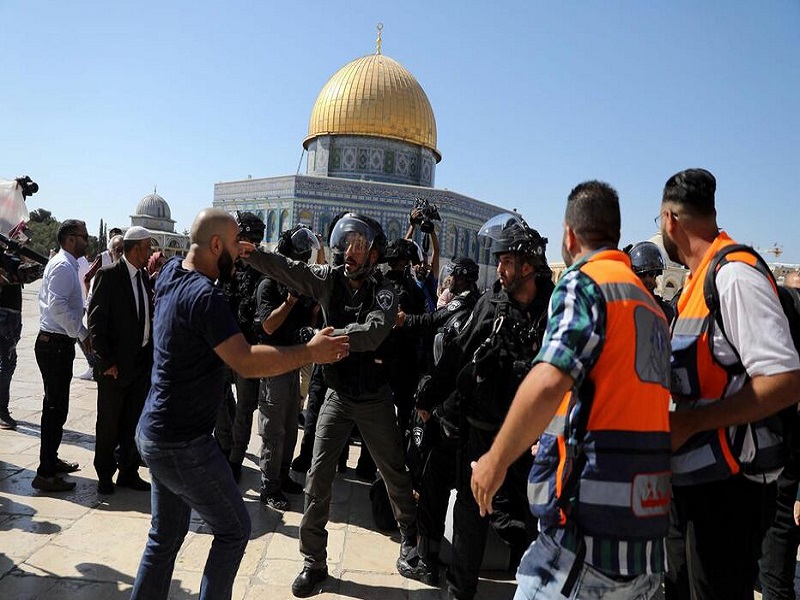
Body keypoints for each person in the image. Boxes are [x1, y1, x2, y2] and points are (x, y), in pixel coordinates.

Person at [129, 208, 349, 600]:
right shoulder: (206, 297)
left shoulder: (170, 274)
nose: (240, 251)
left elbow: (208, 256)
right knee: (233, 530)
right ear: (216, 245)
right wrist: (310, 352)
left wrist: (243, 251)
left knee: (164, 537)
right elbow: (245, 361)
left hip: (154, 432)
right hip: (184, 443)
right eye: (234, 245)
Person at [471, 180, 672, 599]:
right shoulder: (650, 307)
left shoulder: (586, 284)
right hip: (644, 540)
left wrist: (495, 460)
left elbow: (549, 379)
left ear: (569, 234)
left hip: (585, 539)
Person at [242, 213, 418, 598]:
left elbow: (373, 333)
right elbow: (288, 269)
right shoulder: (328, 279)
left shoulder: (386, 290)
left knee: (394, 472)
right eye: (347, 242)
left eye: (359, 245)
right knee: (317, 477)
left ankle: (411, 538)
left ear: (373, 253)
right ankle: (314, 561)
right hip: (337, 396)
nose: (349, 251)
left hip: (373, 399)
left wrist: (328, 339)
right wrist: (252, 255)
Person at [659, 169, 800, 600]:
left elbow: (785, 380)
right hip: (692, 487)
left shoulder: (734, 277)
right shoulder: (695, 283)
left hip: (729, 491)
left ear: (670, 221)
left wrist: (692, 423)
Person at [402, 213, 554, 599]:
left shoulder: (554, 310)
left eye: (506, 262)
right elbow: (455, 354)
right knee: (471, 516)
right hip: (482, 434)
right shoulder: (492, 304)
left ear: (528, 265)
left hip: (531, 439)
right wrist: (428, 399)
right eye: (499, 261)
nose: (500, 269)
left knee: (529, 519)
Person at [395, 255, 481, 585]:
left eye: (452, 276)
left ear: (461, 278)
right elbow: (432, 320)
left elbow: (448, 356)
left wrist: (430, 401)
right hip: (459, 412)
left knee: (433, 482)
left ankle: (427, 560)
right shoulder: (477, 306)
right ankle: (459, 571)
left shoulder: (464, 310)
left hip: (447, 412)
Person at [255, 224, 319, 509]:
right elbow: (268, 326)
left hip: (294, 363)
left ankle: (282, 477)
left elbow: (310, 320)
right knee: (273, 430)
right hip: (272, 364)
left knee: (291, 426)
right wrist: (291, 299)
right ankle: (269, 487)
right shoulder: (268, 284)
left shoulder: (298, 283)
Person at [88, 226, 154, 495]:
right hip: (115, 367)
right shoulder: (109, 276)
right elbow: (95, 323)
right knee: (109, 423)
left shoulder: (144, 277)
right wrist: (105, 362)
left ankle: (128, 472)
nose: (149, 252)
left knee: (132, 422)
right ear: (136, 248)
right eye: (147, 247)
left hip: (140, 365)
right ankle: (105, 474)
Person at [32, 219, 92, 492]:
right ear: (70, 239)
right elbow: (56, 306)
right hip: (54, 344)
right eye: (84, 236)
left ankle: (51, 460)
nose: (87, 241)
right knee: (54, 409)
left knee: (58, 408)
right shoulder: (62, 266)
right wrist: (82, 333)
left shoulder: (68, 264)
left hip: (58, 343)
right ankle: (45, 473)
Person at [224, 211, 267, 482]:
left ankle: (235, 458)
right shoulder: (226, 264)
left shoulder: (264, 268)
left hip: (247, 348)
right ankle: (224, 446)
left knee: (245, 407)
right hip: (223, 344)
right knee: (219, 398)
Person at [627, 240, 675, 323]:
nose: (647, 279)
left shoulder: (666, 311)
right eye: (643, 275)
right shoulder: (627, 306)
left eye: (651, 274)